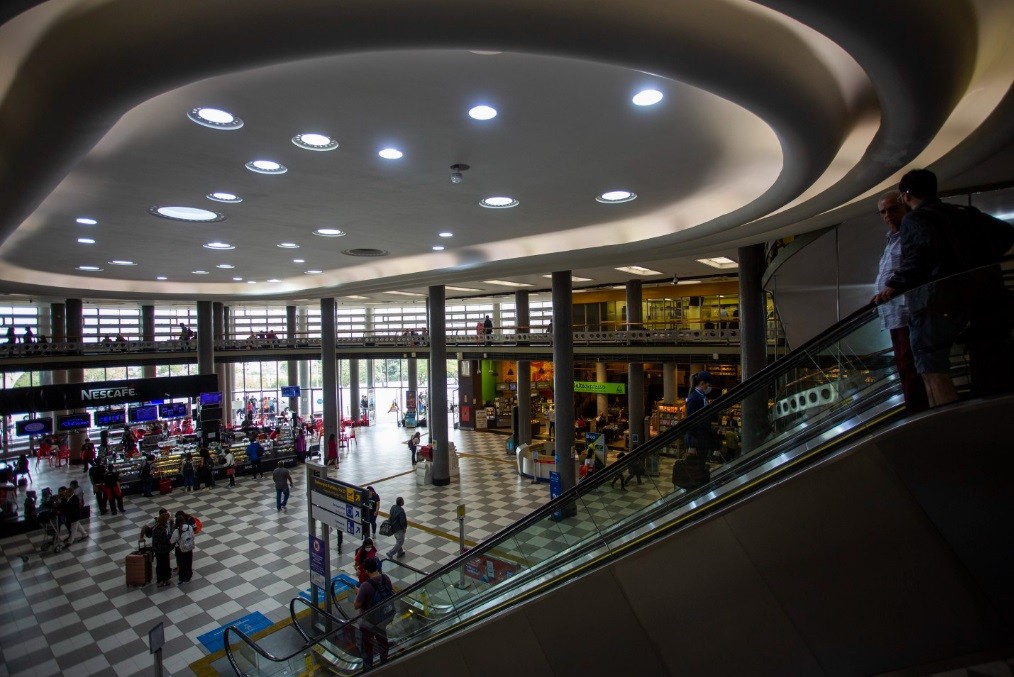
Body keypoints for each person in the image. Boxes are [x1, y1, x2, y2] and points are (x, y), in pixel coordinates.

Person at [876, 169, 1014, 406]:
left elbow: (922, 250)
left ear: (906, 196)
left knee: (931, 367)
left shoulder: (915, 219)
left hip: (937, 301)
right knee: (987, 360)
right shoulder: (963, 212)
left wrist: (895, 284)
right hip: (980, 298)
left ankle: (946, 424)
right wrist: (977, 261)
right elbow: (1006, 233)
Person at [871, 189, 930, 415]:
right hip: (894, 313)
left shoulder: (910, 234)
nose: (887, 215)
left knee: (911, 364)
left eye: (892, 209)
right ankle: (914, 409)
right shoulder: (891, 239)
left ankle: (918, 413)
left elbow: (914, 266)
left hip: (910, 311)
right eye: (883, 212)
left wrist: (893, 287)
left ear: (904, 206)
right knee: (904, 365)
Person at [353, 557, 393, 670]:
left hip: (368, 621)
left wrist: (358, 592)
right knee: (382, 639)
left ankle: (368, 668)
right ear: (376, 567)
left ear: (366, 571)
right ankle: (384, 662)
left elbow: (356, 605)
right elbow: (391, 592)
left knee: (367, 646)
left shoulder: (365, 586)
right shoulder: (386, 578)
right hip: (383, 617)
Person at [685, 371, 713, 456]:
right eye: (707, 385)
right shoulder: (694, 398)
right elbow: (689, 421)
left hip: (702, 437)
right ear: (702, 383)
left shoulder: (702, 396)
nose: (708, 388)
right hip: (697, 440)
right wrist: (691, 445)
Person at [170, 511, 196, 583]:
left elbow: (172, 541)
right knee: (189, 561)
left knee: (181, 563)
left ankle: (183, 577)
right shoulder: (189, 527)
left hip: (180, 549)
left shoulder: (176, 531)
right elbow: (193, 536)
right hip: (189, 547)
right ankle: (189, 574)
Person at [151, 511, 174, 588]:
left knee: (163, 564)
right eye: (167, 519)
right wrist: (170, 534)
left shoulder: (159, 527)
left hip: (161, 549)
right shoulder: (160, 529)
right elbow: (164, 540)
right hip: (161, 550)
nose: (168, 520)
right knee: (162, 565)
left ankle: (164, 579)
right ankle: (161, 580)